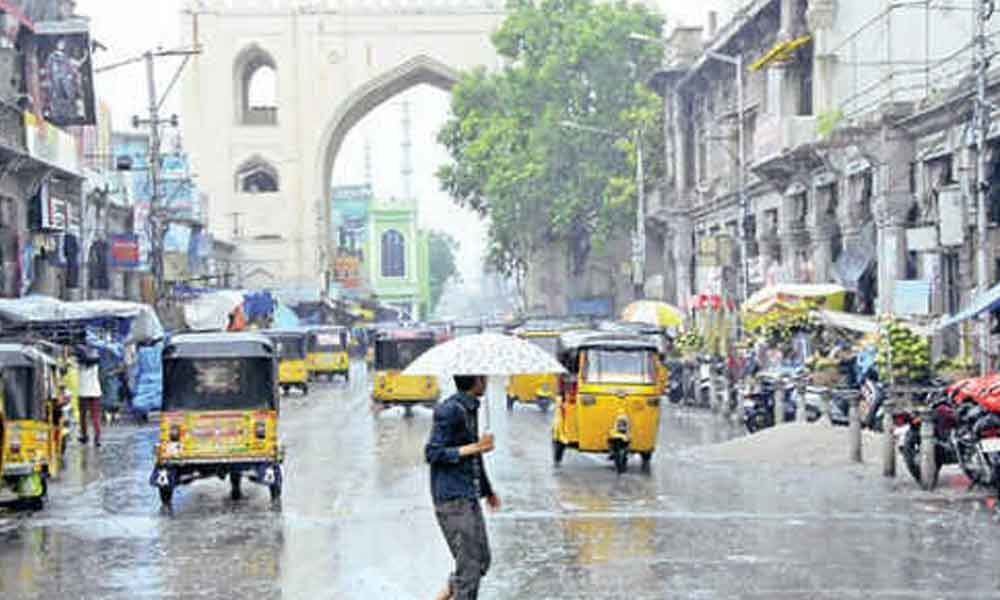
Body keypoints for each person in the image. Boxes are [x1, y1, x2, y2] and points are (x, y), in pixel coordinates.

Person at [424, 374, 501, 600]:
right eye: (484, 377)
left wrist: (488, 491)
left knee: (481, 560)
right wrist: (476, 447)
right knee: (469, 569)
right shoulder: (450, 410)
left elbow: (474, 457)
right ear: (476, 380)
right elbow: (433, 453)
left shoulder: (469, 409)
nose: (486, 381)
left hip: (468, 495)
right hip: (452, 498)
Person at [77, 347, 102, 447]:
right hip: (95, 392)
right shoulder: (96, 365)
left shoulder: (79, 365)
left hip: (83, 393)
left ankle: (84, 436)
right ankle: (97, 438)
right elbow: (97, 359)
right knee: (95, 417)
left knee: (83, 416)